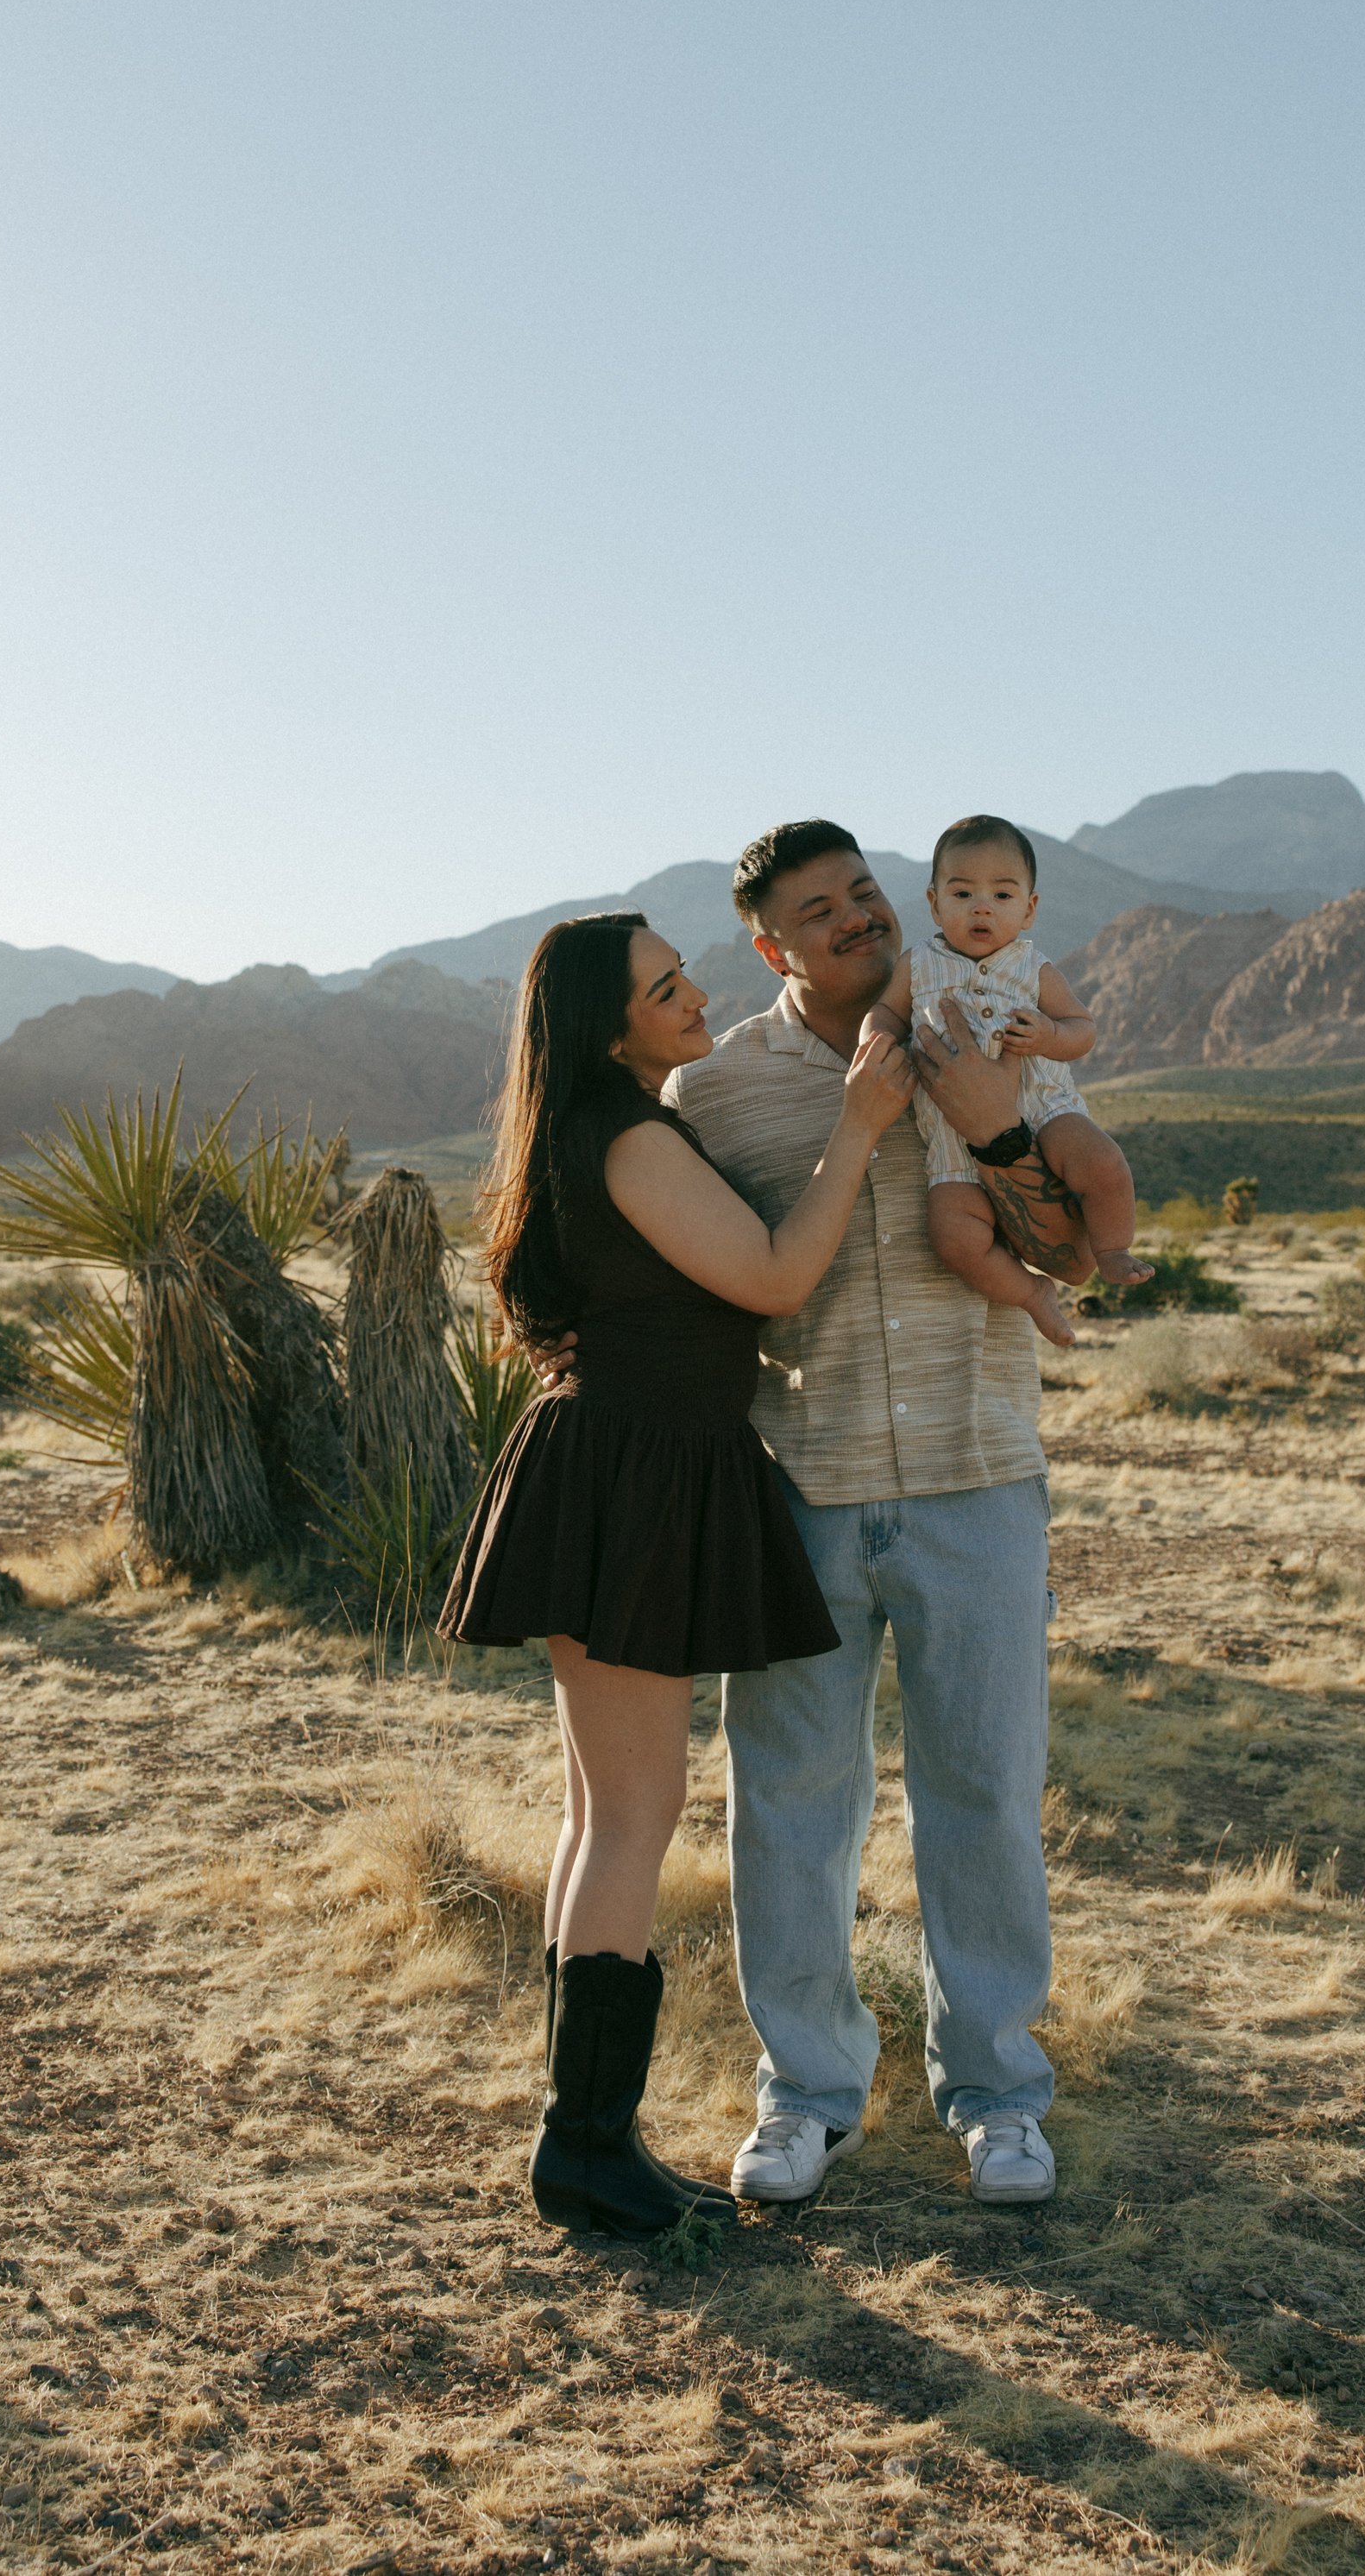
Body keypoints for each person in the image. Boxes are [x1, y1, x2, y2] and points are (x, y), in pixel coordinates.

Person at [439, 909, 911, 2239]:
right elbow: (770, 1275)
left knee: (607, 1815)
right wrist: (861, 1127)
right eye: (665, 986)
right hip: (634, 1478)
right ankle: (585, 2143)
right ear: (610, 1024)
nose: (695, 993)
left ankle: (587, 2135)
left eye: (683, 970)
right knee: (632, 1817)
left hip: (616, 1469)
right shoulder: (634, 1133)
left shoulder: (594, 1124)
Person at [665, 820, 1080, 2209]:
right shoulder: (717, 1093)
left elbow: (1075, 1244)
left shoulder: (991, 1020)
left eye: (864, 895)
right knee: (788, 1802)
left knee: (984, 1794)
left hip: (979, 1475)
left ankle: (1001, 2092)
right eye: (817, 911)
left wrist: (994, 1125)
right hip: (804, 1487)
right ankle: (808, 2092)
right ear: (771, 947)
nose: (856, 920)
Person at [861, 812, 1150, 1344]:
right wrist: (873, 1042)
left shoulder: (1033, 968)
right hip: (950, 1140)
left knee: (1103, 1163)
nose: (982, 907)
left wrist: (1046, 1036)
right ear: (934, 903)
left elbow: (1082, 1028)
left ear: (1030, 908)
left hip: (1045, 1108)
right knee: (952, 1239)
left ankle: (1112, 1248)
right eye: (963, 892)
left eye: (1002, 895)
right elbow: (886, 1013)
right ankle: (1030, 1293)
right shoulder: (918, 965)